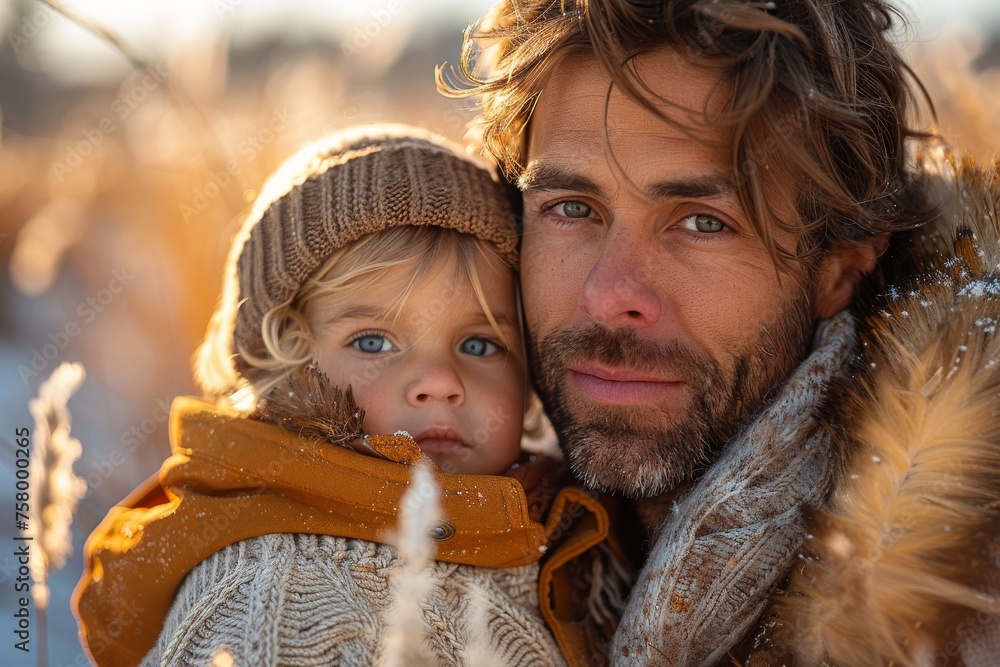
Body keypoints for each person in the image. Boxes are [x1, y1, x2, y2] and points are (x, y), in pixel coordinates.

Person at [441, 0, 1000, 664]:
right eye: (571, 208)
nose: (611, 293)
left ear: (840, 265)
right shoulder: (435, 535)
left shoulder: (965, 611)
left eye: (703, 221)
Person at [73, 125, 630, 667]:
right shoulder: (284, 606)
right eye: (373, 341)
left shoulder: (557, 523)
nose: (439, 380)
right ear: (286, 361)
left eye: (480, 343)